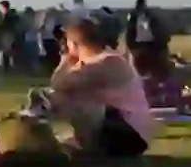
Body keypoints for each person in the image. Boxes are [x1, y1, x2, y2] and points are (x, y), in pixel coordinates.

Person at [23, 18, 157, 157]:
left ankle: (36, 118)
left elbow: (58, 84)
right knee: (70, 98)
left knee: (71, 99)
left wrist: (65, 57)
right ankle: (41, 125)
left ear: (73, 44)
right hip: (120, 130)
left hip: (129, 135)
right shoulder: (99, 60)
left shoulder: (107, 61)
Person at [125, 0, 170, 78]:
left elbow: (130, 31)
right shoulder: (153, 14)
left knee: (140, 72)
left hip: (140, 47)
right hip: (156, 47)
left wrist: (131, 46)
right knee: (158, 72)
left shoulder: (133, 15)